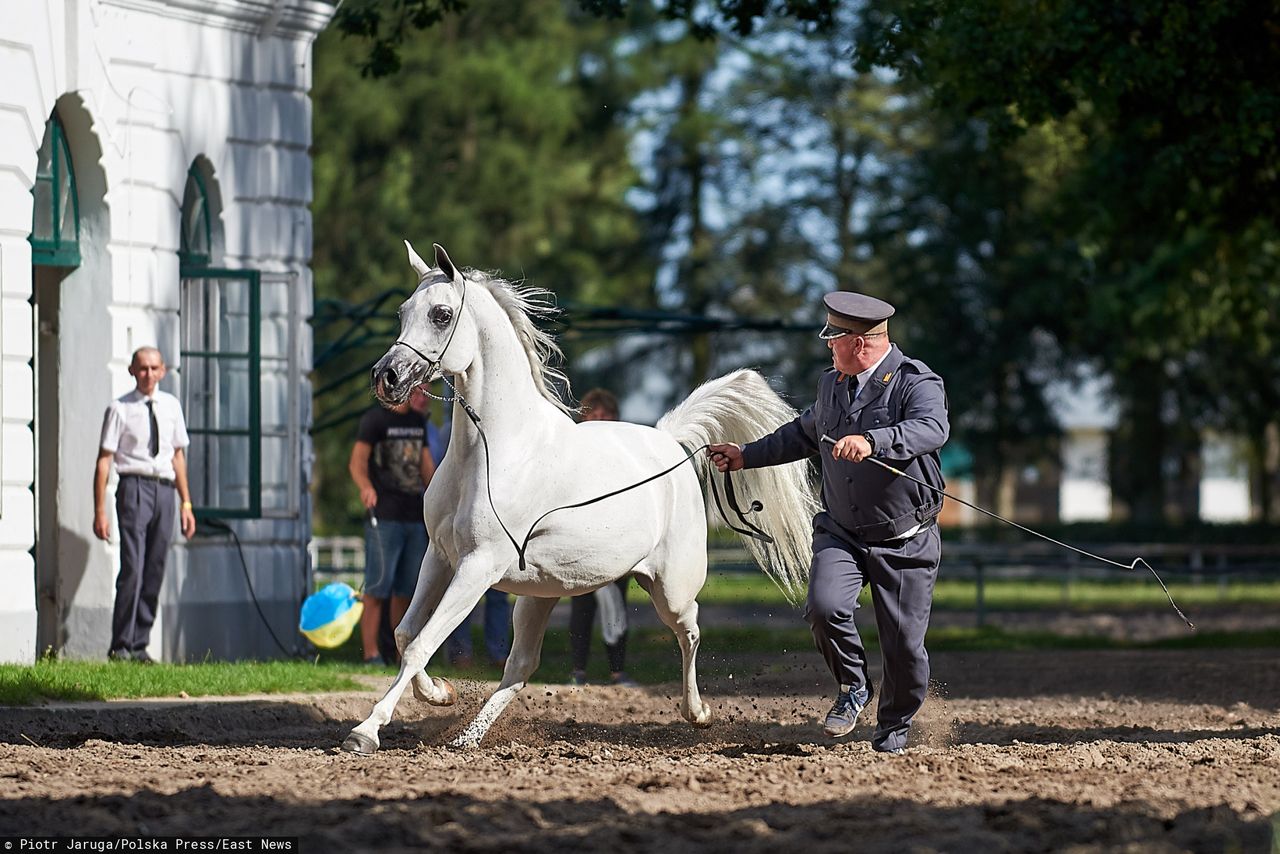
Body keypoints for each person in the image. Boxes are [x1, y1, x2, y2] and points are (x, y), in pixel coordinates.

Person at [708, 292, 949, 754]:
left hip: (905, 539)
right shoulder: (833, 385)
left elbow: (931, 429)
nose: (827, 344)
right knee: (824, 607)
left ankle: (893, 727)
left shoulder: (917, 382)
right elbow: (802, 433)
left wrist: (874, 441)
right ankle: (853, 686)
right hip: (842, 531)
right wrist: (745, 456)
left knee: (903, 648)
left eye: (832, 337)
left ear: (859, 343)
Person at [93, 347, 197, 663]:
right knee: (133, 567)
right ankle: (121, 645)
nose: (148, 374)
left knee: (154, 567)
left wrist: (186, 503)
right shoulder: (120, 409)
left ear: (163, 371)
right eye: (142, 368)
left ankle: (140, 644)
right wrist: (99, 510)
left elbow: (178, 456)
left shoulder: (171, 407)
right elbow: (104, 460)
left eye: (154, 368)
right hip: (134, 487)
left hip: (165, 489)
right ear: (132, 371)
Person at [418, 387, 512, 669]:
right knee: (460, 589)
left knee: (495, 593)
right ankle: (461, 653)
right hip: (460, 520)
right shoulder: (449, 433)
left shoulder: (500, 433)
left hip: (492, 520)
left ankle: (496, 653)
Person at [349, 389, 435, 665]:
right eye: (420, 392)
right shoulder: (375, 420)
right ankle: (371, 653)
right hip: (383, 517)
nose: (425, 397)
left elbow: (426, 469)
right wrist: (365, 488)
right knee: (376, 588)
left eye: (428, 392)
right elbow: (357, 463)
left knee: (407, 591)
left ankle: (401, 655)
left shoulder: (418, 423)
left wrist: (437, 498)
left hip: (413, 517)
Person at [568, 388, 636, 686]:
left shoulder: (626, 456)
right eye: (593, 416)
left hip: (614, 542)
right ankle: (577, 671)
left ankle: (617, 671)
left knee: (617, 606)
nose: (600, 421)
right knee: (582, 608)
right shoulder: (573, 453)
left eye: (605, 416)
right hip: (581, 542)